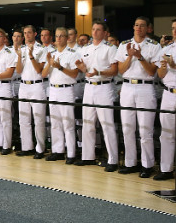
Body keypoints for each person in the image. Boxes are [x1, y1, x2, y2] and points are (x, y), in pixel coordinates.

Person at [115, 17, 162, 177]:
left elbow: (151, 71)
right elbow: (121, 70)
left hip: (145, 88)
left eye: (142, 26)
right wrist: (129, 56)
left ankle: (147, 165)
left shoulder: (154, 46)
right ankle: (130, 163)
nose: (138, 28)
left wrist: (140, 57)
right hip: (127, 86)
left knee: (145, 129)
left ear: (148, 28)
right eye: (136, 25)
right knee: (127, 128)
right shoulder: (123, 44)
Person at [74, 21, 119, 172]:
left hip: (104, 87)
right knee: (88, 123)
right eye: (93, 29)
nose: (95, 32)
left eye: (98, 30)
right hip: (89, 87)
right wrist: (81, 67)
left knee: (107, 124)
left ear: (105, 32)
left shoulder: (110, 48)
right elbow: (83, 68)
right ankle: (88, 156)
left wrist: (98, 72)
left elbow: (114, 70)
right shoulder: (85, 48)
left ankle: (113, 159)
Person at [42, 27, 80, 164]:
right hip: (53, 90)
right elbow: (43, 74)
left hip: (66, 90)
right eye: (57, 36)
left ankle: (71, 153)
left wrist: (59, 67)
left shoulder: (72, 53)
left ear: (67, 38)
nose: (58, 39)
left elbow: (75, 74)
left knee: (68, 123)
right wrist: (49, 64)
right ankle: (58, 151)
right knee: (55, 122)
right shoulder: (51, 53)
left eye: (61, 36)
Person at [154, 18, 176, 180]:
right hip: (168, 93)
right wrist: (164, 69)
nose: (174, 31)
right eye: (173, 28)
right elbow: (160, 75)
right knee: (166, 133)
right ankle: (166, 169)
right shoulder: (166, 49)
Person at [15, 25, 48, 158]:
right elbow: (18, 70)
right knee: (24, 119)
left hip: (37, 86)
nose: (27, 35)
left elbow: (39, 70)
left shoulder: (41, 49)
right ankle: (26, 147)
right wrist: (19, 57)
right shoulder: (21, 49)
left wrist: (30, 56)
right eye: (25, 33)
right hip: (24, 86)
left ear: (35, 34)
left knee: (38, 119)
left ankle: (40, 148)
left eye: (29, 33)